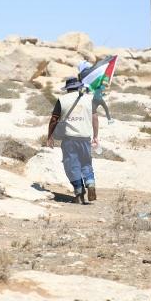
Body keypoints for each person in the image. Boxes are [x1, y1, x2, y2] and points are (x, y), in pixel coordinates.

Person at [47, 77, 99, 205]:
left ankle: (79, 193)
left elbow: (54, 119)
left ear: (67, 88)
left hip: (69, 139)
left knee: (72, 165)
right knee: (86, 163)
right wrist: (95, 136)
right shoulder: (89, 99)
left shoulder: (62, 100)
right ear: (78, 87)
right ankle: (90, 183)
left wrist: (50, 135)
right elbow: (95, 118)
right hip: (85, 138)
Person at [78, 60, 113, 124]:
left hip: (96, 98)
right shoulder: (98, 80)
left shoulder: (84, 76)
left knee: (101, 110)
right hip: (95, 99)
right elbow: (104, 84)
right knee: (94, 111)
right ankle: (108, 120)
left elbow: (99, 88)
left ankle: (109, 120)